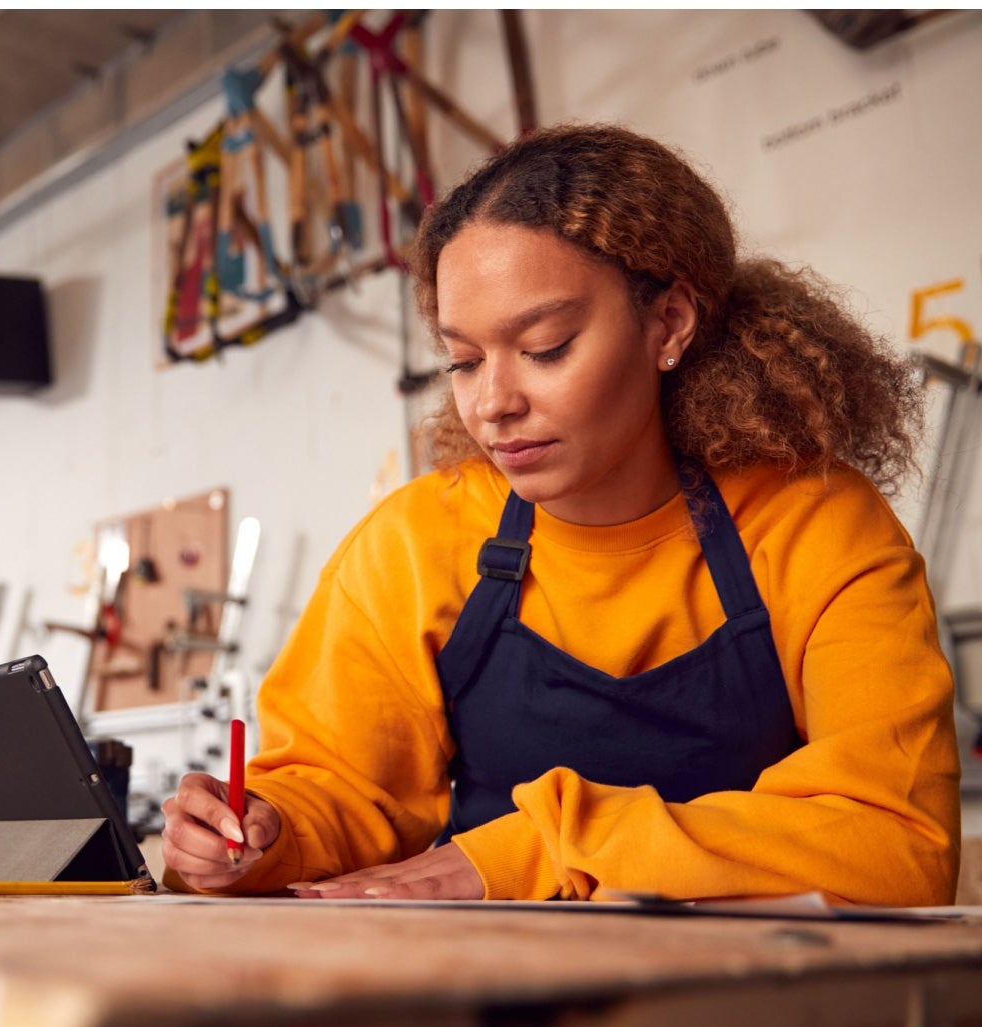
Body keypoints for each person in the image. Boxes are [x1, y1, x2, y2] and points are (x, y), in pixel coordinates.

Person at [160, 123, 961, 904]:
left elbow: (897, 840)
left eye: (544, 348)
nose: (493, 405)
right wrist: (261, 834)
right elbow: (339, 789)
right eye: (464, 361)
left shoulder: (814, 524)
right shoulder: (415, 544)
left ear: (669, 324)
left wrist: (548, 847)